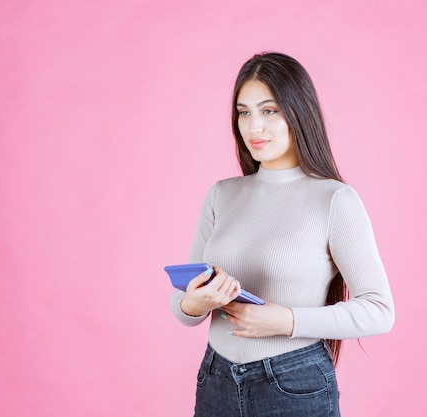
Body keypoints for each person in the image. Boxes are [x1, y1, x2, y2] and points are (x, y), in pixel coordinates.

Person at [169, 51, 395, 417]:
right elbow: (182, 307)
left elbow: (379, 310)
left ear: (298, 112)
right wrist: (193, 305)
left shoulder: (335, 199)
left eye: (269, 110)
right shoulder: (222, 195)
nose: (253, 127)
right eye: (244, 112)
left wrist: (286, 321)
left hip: (292, 385)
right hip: (216, 380)